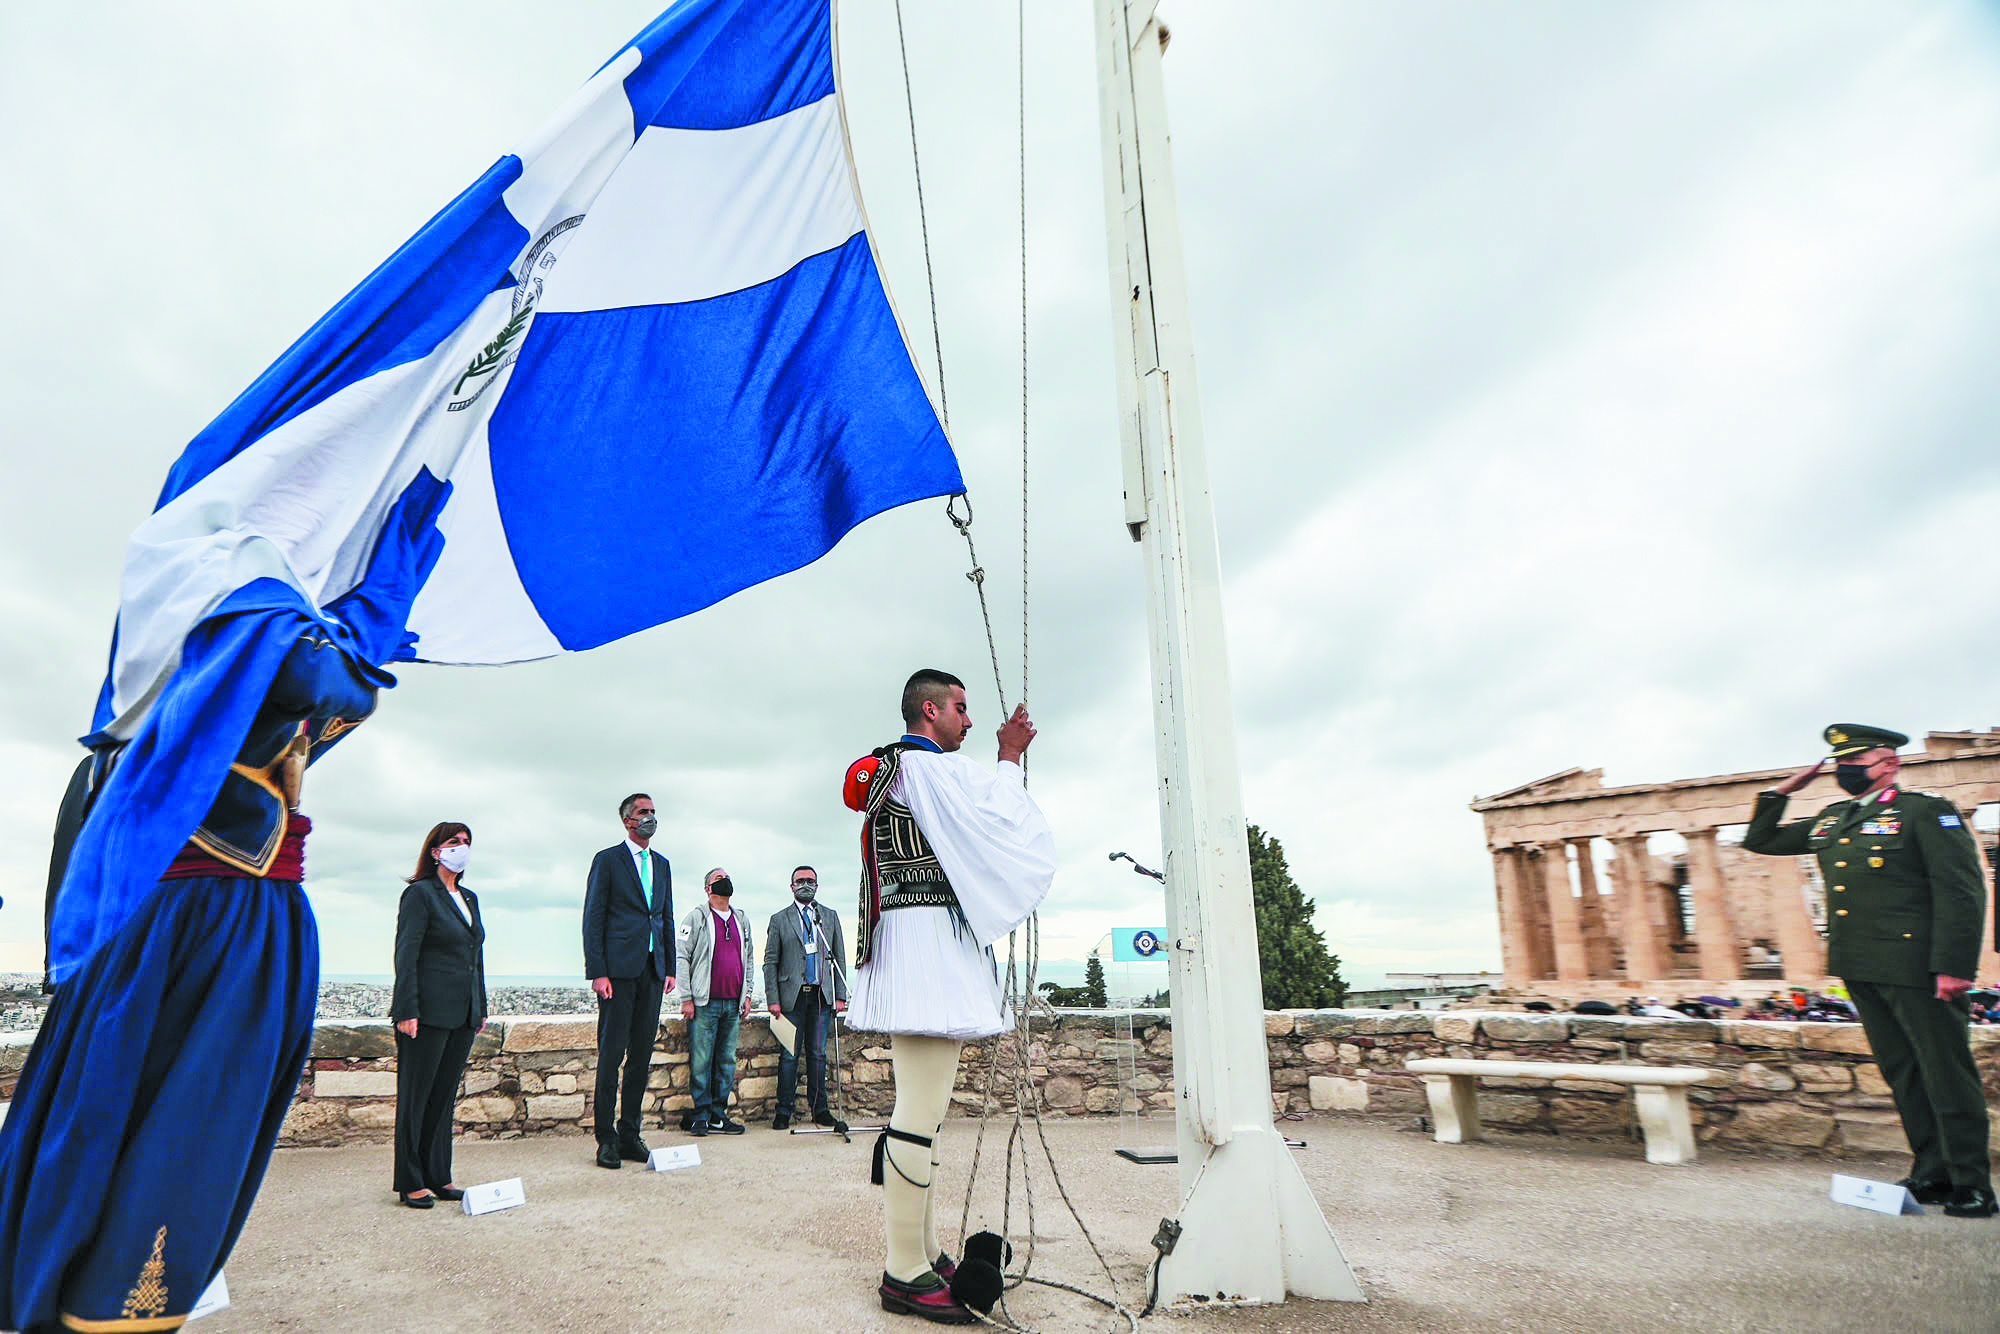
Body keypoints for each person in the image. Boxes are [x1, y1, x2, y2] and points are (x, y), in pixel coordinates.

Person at [0, 620, 383, 1332]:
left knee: (134, 1122)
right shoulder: (243, 643)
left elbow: (330, 695)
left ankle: (73, 1297)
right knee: (154, 1129)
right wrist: (357, 622)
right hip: (201, 927)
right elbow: (318, 679)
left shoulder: (169, 711)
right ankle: (93, 1304)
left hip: (211, 927)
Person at [845, 669, 1055, 1323]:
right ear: (930, 710)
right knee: (918, 1112)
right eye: (960, 708)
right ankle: (903, 1271)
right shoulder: (929, 769)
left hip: (911, 943)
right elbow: (1000, 819)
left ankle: (925, 1251)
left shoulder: (896, 769)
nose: (968, 719)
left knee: (924, 1112)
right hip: (928, 950)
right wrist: (1010, 755)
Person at [1743, 723, 1994, 1218]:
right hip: (1860, 964)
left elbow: (1962, 891)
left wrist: (1953, 966)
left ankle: (1972, 1183)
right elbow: (1762, 838)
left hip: (1918, 966)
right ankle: (1933, 1172)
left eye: (1855, 763)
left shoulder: (1925, 812)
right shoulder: (1835, 818)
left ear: (1889, 763)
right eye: (1840, 764)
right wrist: (1781, 792)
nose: (1845, 770)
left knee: (1946, 1073)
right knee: (1903, 1072)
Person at [391, 822, 488, 1209]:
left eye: (466, 842)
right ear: (435, 851)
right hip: (426, 1013)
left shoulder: (469, 898)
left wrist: (479, 1006)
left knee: (443, 1098)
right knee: (416, 1098)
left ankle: (438, 1175)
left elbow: (475, 957)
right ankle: (410, 1180)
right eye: (453, 842)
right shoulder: (420, 895)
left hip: (462, 1013)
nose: (461, 848)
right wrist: (406, 1009)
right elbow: (406, 954)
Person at [583, 794, 675, 1170]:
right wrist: (598, 971)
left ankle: (630, 1134)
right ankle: (606, 1138)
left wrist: (669, 967)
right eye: (643, 812)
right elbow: (594, 916)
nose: (650, 817)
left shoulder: (662, 864)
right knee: (611, 1055)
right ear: (627, 820)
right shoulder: (608, 860)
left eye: (653, 812)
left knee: (641, 1056)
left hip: (652, 970)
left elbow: (665, 916)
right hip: (618, 971)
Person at [764, 865, 848, 1131]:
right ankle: (783, 1111)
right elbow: (770, 962)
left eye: (810, 881)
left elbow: (839, 956)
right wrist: (772, 998)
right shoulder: (779, 919)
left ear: (817, 886)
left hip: (821, 996)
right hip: (791, 998)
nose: (805, 885)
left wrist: (840, 995)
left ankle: (819, 1110)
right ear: (792, 887)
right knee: (789, 1056)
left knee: (818, 1055)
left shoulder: (829, 917)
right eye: (800, 881)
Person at [678, 868, 753, 1136]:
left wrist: (747, 994)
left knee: (726, 1061)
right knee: (701, 1061)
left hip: (732, 1003)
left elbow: (749, 958)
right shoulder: (696, 917)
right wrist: (686, 997)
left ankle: (718, 1115)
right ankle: (701, 1114)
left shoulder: (741, 919)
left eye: (727, 877)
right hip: (704, 1004)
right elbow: (681, 956)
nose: (725, 881)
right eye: (719, 879)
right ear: (708, 889)